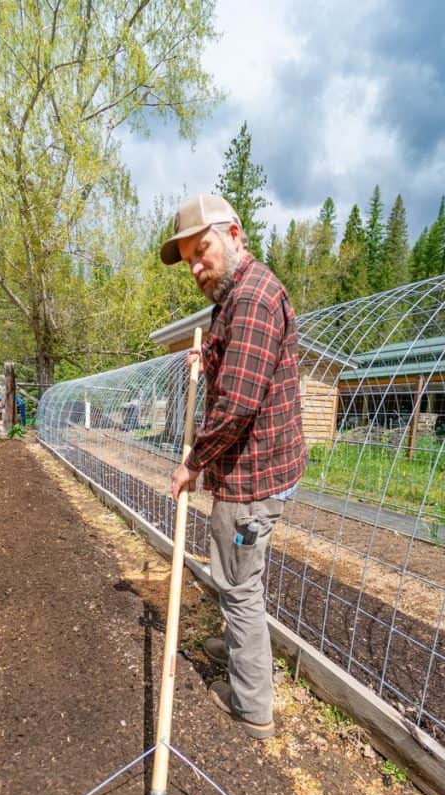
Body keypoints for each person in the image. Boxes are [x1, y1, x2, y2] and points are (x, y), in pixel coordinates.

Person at [161, 193, 307, 740]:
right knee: (239, 580)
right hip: (254, 470)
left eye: (202, 252)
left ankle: (252, 705)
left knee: (240, 586)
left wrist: (192, 465)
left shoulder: (254, 299)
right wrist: (209, 357)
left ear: (234, 233)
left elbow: (238, 405)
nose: (197, 268)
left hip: (250, 478)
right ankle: (241, 643)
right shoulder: (233, 297)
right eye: (190, 261)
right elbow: (239, 365)